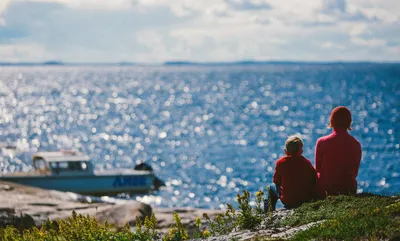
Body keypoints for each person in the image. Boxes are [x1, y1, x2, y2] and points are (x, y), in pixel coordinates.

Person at [315, 106, 362, 198]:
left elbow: (318, 169)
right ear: (349, 122)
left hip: (326, 190)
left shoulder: (322, 142)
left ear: (331, 121)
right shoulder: (356, 144)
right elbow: (355, 173)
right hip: (347, 190)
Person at [264, 135, 317, 212]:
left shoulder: (281, 162)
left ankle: (268, 212)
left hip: (288, 200)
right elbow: (314, 178)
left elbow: (276, 181)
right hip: (305, 199)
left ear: (285, 151)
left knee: (271, 188)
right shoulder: (306, 162)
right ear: (301, 151)